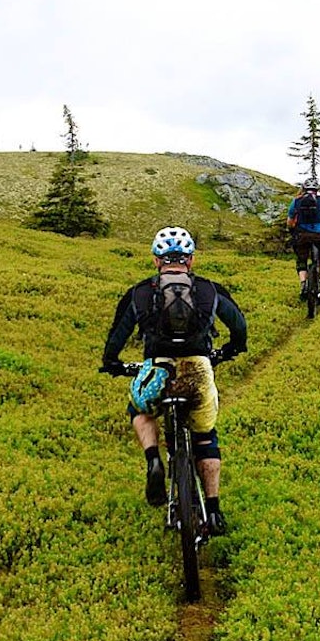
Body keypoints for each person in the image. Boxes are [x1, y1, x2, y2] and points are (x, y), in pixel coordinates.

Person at [99, 226, 247, 535]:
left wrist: (112, 363)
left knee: (139, 409)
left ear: (156, 260)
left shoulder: (140, 292)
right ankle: (214, 511)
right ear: (190, 260)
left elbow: (117, 335)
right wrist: (232, 349)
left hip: (158, 367)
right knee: (206, 436)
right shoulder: (209, 289)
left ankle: (153, 458)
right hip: (198, 367)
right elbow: (238, 325)